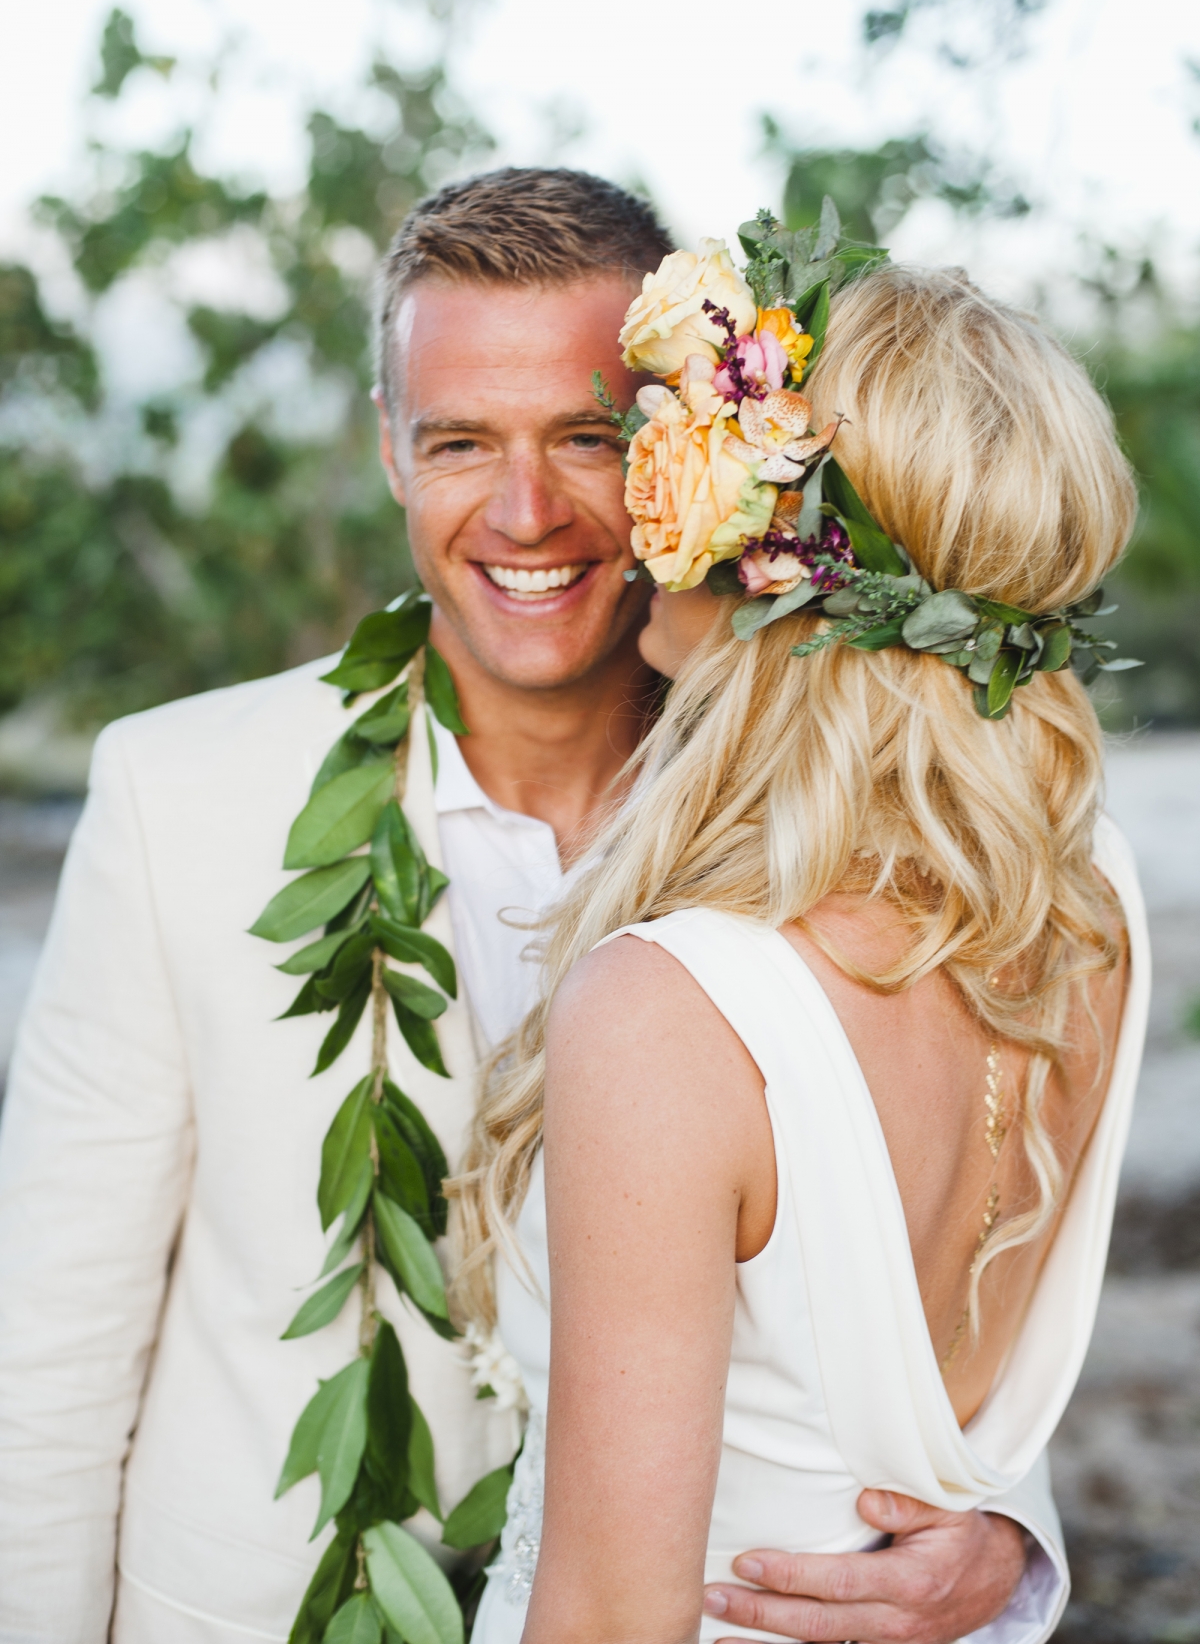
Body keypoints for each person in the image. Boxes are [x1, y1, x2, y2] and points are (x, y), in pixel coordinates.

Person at [0, 170, 1063, 1644]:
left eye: (587, 438)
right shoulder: (171, 799)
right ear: (388, 454)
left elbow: (969, 1223)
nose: (523, 512)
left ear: (702, 456)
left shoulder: (818, 822)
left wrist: (1007, 1528)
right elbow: (45, 1367)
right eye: (457, 443)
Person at [456, 255, 1149, 1644]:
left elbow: (605, 1614)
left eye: (693, 455)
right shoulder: (1089, 908)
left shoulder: (674, 1014)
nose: (647, 500)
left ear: (786, 563)